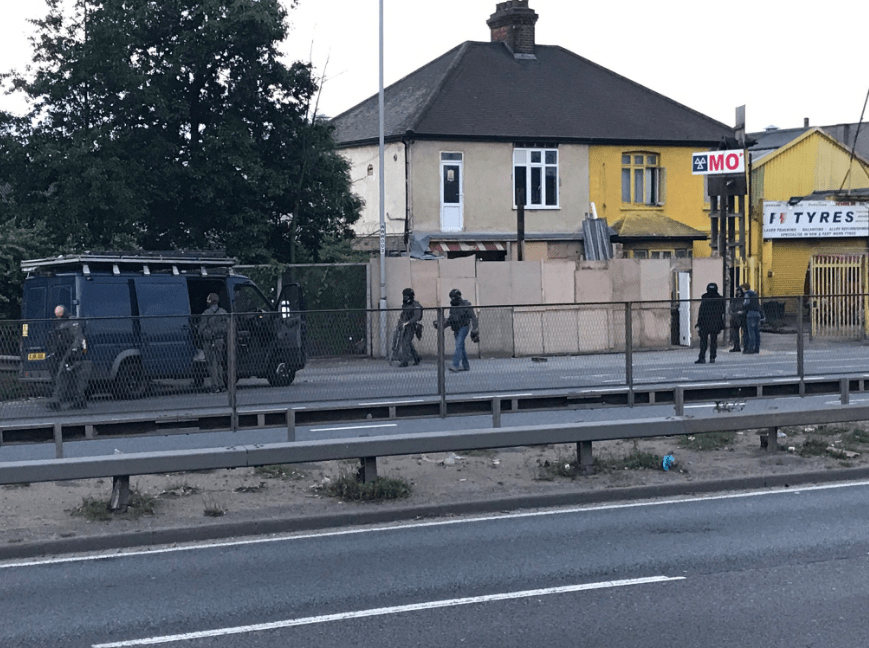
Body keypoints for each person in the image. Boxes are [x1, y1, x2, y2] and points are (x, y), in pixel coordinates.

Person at [48, 305, 90, 410]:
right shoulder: (64, 323)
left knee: (66, 376)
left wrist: (72, 353)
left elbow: (77, 338)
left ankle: (58, 400)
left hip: (72, 354)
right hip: (69, 354)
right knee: (71, 378)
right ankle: (77, 401)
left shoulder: (70, 322)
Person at [440, 288, 479, 372]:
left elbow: (473, 317)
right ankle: (466, 366)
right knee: (461, 347)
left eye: (454, 297)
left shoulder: (466, 305)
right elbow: (450, 319)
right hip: (456, 328)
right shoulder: (453, 306)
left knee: (458, 345)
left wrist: (474, 329)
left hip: (464, 327)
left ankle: (455, 365)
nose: (453, 299)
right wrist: (442, 325)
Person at [198, 293, 228, 392]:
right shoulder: (223, 312)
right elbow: (228, 327)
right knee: (219, 363)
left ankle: (214, 385)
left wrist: (208, 334)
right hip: (220, 340)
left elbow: (201, 329)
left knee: (212, 364)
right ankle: (222, 385)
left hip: (209, 342)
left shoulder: (206, 313)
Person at [695, 282, 725, 364]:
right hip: (715, 322)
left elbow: (702, 311)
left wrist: (699, 322)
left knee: (703, 341)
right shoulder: (720, 299)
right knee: (713, 341)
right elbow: (722, 311)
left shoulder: (705, 298)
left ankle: (702, 357)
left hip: (705, 322)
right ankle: (712, 357)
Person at [397, 287, 423, 367]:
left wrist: (408, 322)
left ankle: (405, 360)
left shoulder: (416, 305)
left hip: (412, 326)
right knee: (408, 343)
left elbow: (417, 316)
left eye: (407, 296)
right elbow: (403, 315)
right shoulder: (405, 305)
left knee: (405, 342)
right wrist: (401, 322)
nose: (405, 298)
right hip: (405, 325)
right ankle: (416, 357)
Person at [743, 284, 763, 354]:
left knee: (751, 332)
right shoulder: (755, 294)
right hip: (757, 313)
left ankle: (751, 348)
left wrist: (743, 307)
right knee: (756, 331)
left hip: (750, 313)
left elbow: (746, 303)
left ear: (744, 288)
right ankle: (757, 348)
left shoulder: (747, 294)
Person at [728, 284, 746, 352]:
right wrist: (732, 313)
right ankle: (736, 346)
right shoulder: (735, 300)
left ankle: (745, 346)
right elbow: (730, 308)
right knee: (735, 332)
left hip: (742, 317)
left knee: (745, 332)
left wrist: (741, 312)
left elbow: (746, 307)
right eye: (737, 291)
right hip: (735, 317)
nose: (738, 293)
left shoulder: (744, 299)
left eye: (739, 291)